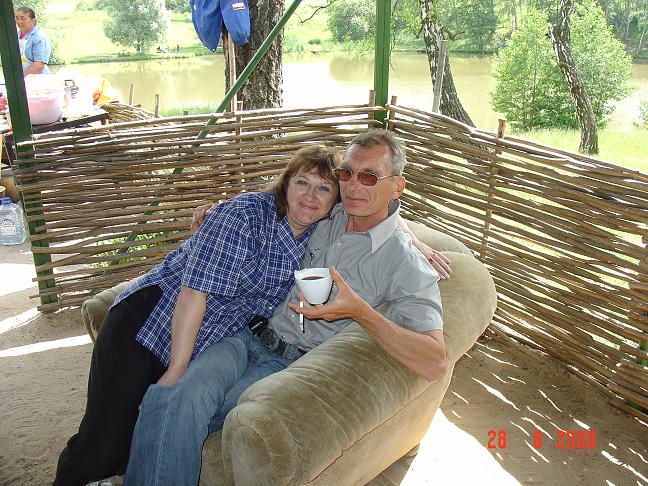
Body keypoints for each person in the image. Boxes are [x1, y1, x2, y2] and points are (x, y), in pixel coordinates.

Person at [123, 129, 448, 485]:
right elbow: (283, 198)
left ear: (397, 186)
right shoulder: (328, 213)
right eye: (346, 173)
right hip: (246, 335)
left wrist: (359, 311)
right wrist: (213, 215)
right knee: (173, 395)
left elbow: (434, 361)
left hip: (291, 364)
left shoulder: (405, 264)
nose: (354, 186)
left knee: (195, 412)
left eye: (369, 176)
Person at [53, 145, 342, 486]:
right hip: (149, 323)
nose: (310, 196)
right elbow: (193, 293)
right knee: (103, 444)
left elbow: (374, 212)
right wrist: (176, 371)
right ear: (286, 183)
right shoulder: (246, 214)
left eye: (324, 188)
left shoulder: (317, 236)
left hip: (202, 339)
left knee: (139, 438)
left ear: (334, 200)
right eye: (302, 182)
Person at [15, 7, 51, 76]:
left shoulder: (39, 38)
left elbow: (39, 64)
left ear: (33, 21)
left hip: (38, 78)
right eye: (17, 18)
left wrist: (21, 78)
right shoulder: (15, 35)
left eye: (23, 19)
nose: (19, 21)